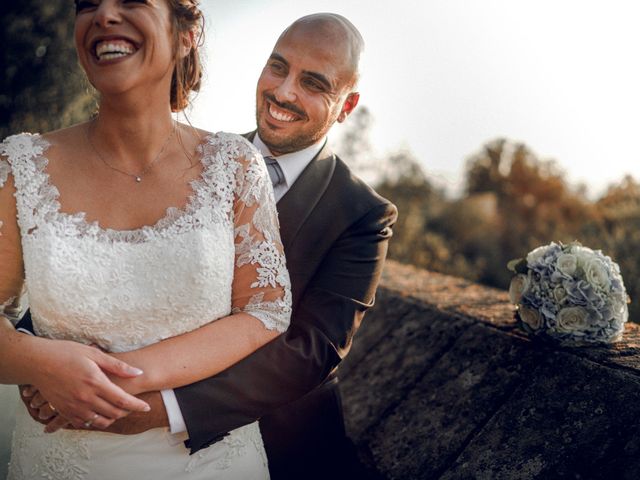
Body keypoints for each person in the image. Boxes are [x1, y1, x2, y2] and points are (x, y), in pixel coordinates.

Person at [19, 11, 397, 480]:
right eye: (278, 67)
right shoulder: (201, 159)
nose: (283, 92)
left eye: (314, 83)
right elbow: (102, 258)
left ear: (347, 104)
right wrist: (42, 361)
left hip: (278, 446)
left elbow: (311, 350)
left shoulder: (362, 213)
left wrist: (160, 410)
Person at [0, 0, 291, 478]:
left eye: (131, 1)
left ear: (184, 35)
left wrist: (110, 380)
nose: (104, 16)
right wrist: (41, 364)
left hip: (211, 462)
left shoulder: (234, 166)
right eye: (87, 4)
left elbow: (266, 310)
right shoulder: (22, 167)